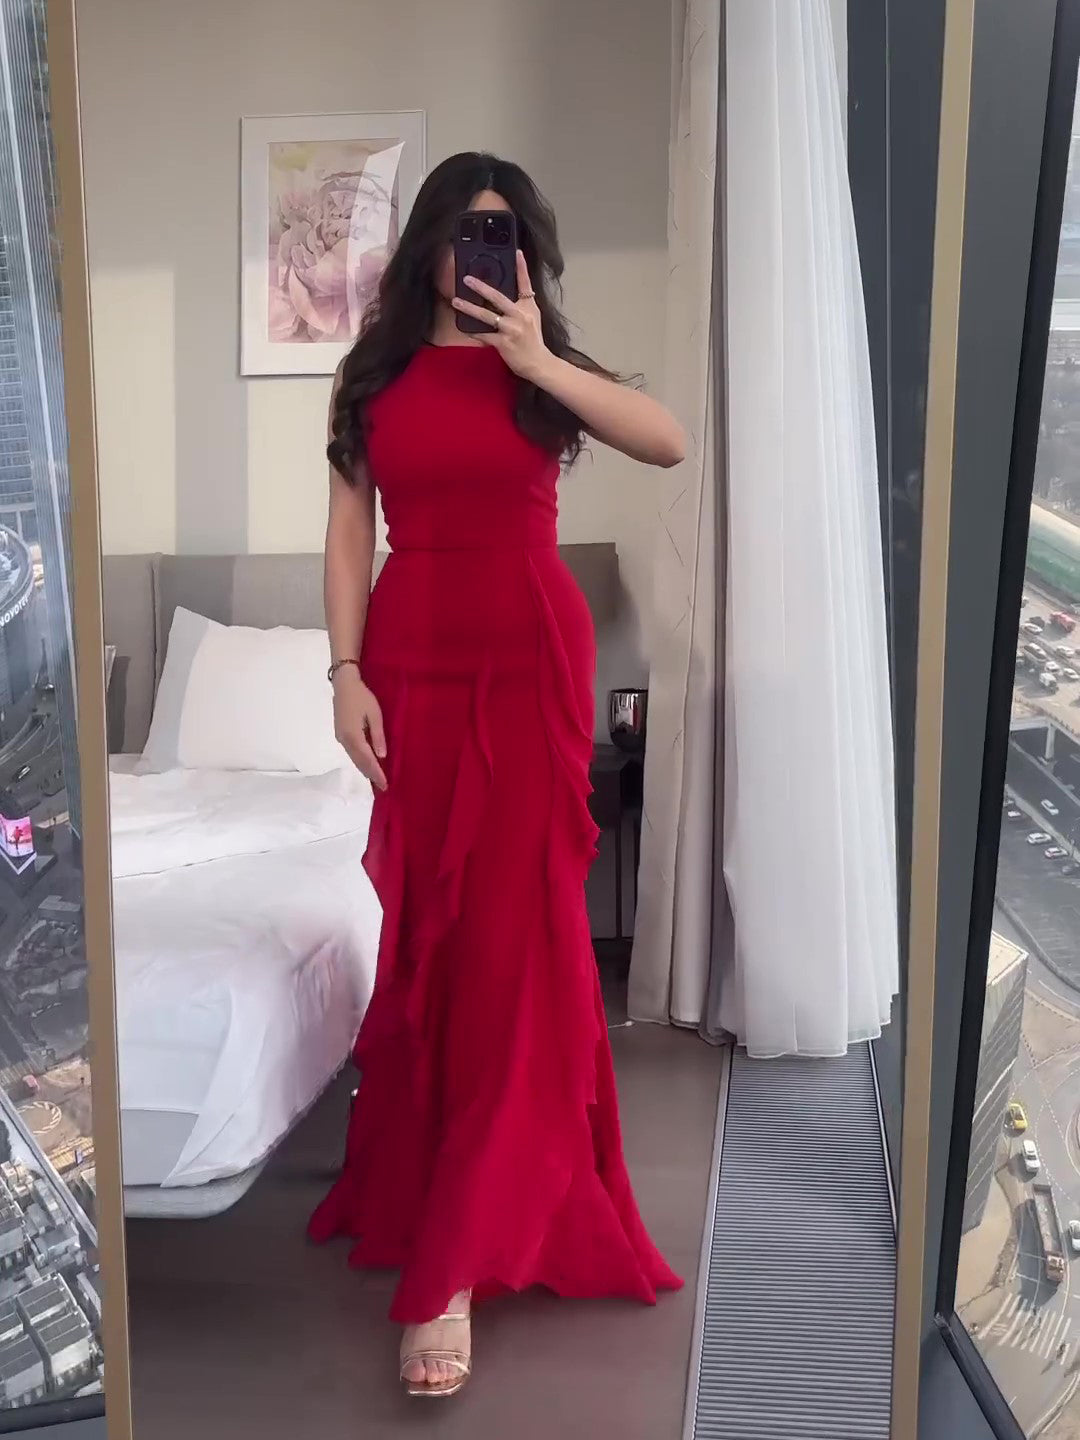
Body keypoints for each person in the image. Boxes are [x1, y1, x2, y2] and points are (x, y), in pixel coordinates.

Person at [310, 151, 686, 1399]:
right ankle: (445, 1180)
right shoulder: (371, 378)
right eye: (469, 227)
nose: (487, 248)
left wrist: (537, 359)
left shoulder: (540, 368)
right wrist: (343, 672)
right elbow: (347, 533)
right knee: (438, 930)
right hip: (413, 657)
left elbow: (668, 443)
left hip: (529, 660)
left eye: (507, 230)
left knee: (521, 941)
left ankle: (456, 1264)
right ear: (428, 242)